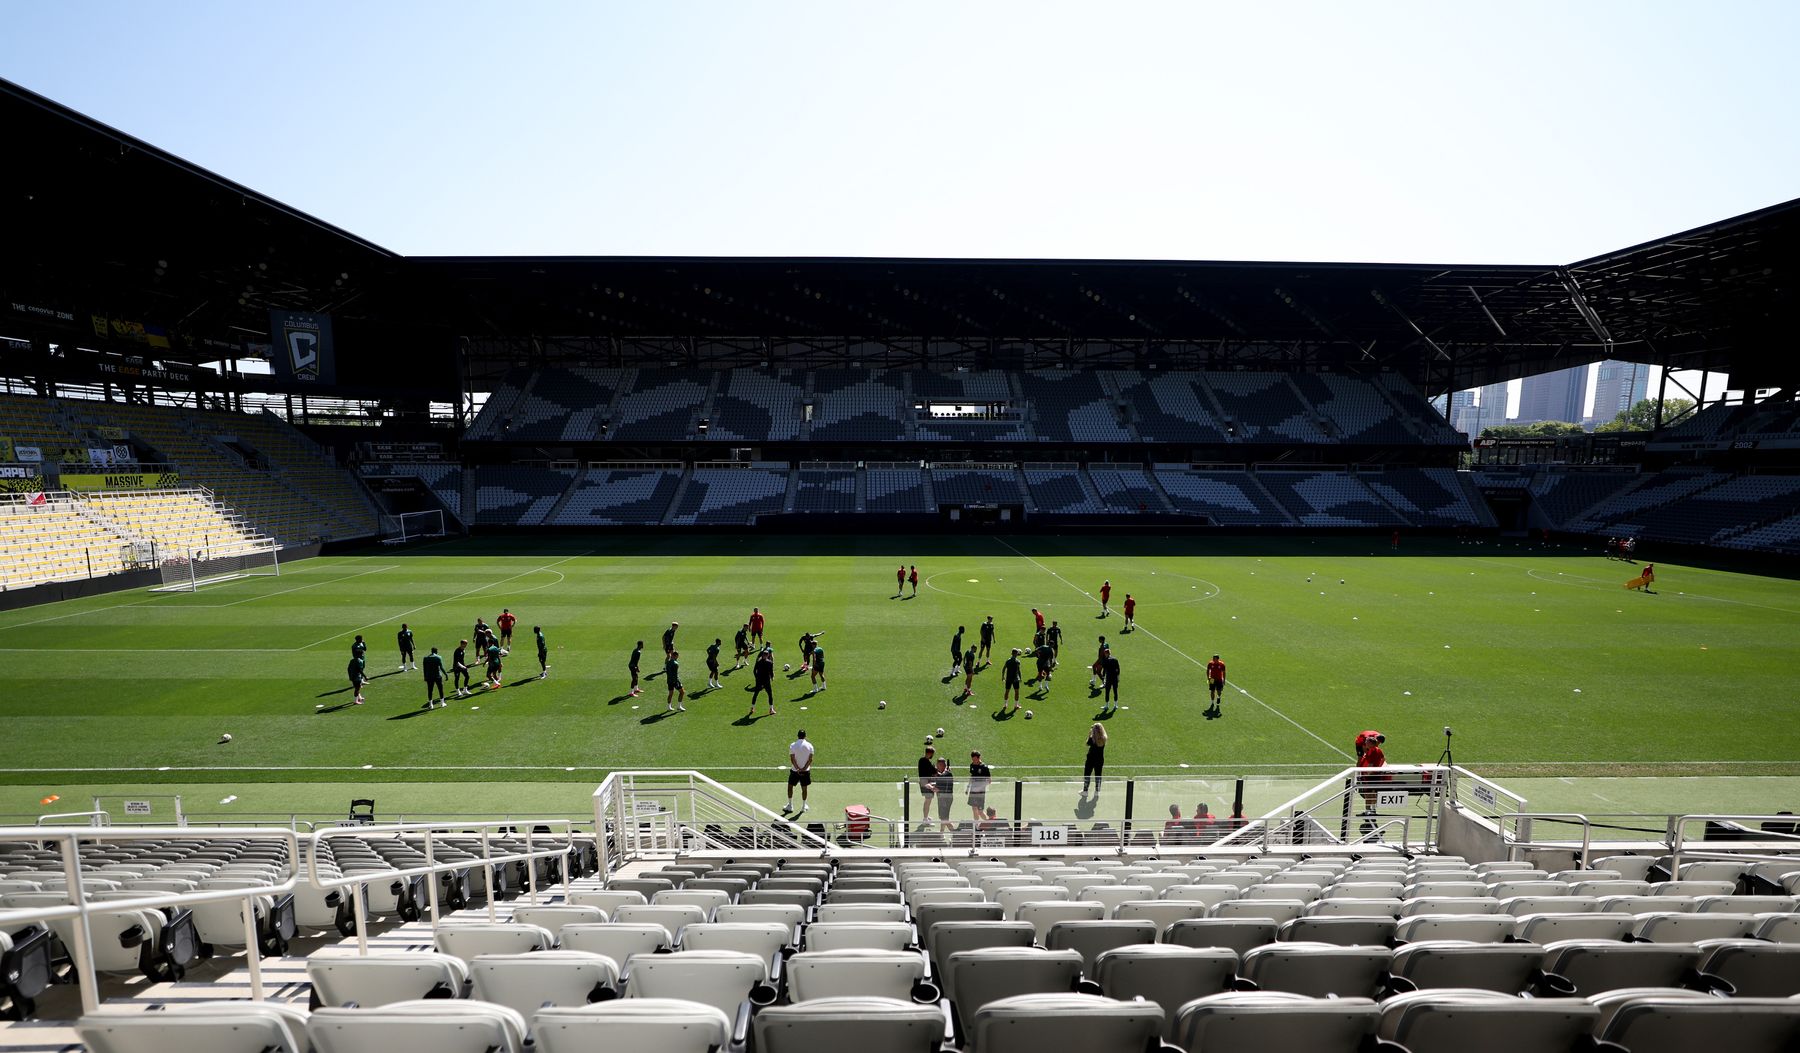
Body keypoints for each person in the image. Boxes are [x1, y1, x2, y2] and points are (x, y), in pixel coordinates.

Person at [1355, 731, 1387, 815]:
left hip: (1369, 776)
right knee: (1373, 792)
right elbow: (1383, 759)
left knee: (1368, 793)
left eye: (1366, 742)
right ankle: (1372, 810)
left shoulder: (1371, 751)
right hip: (1375, 774)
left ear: (1371, 744)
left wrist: (1368, 773)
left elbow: (1370, 764)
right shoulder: (1378, 750)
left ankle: (1368, 810)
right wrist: (1378, 769)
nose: (1365, 743)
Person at [786, 729, 814, 814]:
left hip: (795, 771)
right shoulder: (810, 746)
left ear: (797, 736)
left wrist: (797, 768)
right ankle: (803, 806)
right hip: (805, 771)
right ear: (805, 736)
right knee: (804, 788)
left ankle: (790, 806)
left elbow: (792, 759)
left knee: (790, 787)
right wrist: (804, 768)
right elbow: (810, 759)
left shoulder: (793, 745)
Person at [749, 645, 776, 716]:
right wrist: (772, 677)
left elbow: (754, 671)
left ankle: (752, 707)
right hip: (766, 680)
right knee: (769, 694)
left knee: (756, 694)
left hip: (759, 680)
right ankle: (771, 709)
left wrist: (756, 678)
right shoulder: (770, 663)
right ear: (767, 655)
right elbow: (771, 671)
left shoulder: (758, 661)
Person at [967, 751, 992, 822]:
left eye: (975, 759)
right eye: (973, 759)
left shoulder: (984, 767)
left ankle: (989, 824)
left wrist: (980, 788)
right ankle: (976, 825)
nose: (974, 761)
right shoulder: (972, 765)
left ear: (979, 758)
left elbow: (989, 780)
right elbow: (972, 777)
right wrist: (968, 787)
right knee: (974, 809)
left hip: (980, 792)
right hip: (972, 790)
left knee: (980, 811)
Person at [1083, 722, 1107, 794]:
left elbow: (1087, 743)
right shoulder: (1104, 738)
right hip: (1099, 759)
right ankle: (1097, 791)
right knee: (1098, 775)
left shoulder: (1092, 739)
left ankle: (1085, 791)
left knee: (1087, 775)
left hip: (1090, 759)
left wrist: (1090, 734)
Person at [916, 744, 938, 823]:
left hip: (925, 782)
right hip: (926, 783)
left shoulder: (922, 760)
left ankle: (926, 816)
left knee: (927, 801)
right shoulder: (926, 762)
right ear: (929, 753)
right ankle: (925, 819)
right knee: (928, 801)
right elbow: (935, 772)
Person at [932, 756, 955, 830]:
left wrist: (931, 787)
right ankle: (941, 834)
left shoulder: (946, 774)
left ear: (942, 765)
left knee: (944, 819)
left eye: (937, 765)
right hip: (943, 798)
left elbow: (938, 787)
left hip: (945, 799)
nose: (936, 767)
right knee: (943, 818)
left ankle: (955, 834)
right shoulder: (946, 774)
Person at [1001, 647, 1023, 712]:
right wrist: (1020, 678)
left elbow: (1004, 668)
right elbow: (1019, 671)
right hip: (1015, 679)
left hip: (1008, 679)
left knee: (1007, 691)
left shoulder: (1008, 661)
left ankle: (1005, 705)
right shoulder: (1018, 662)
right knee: (1016, 692)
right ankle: (1016, 705)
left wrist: (1003, 676)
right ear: (1016, 654)